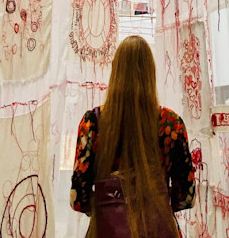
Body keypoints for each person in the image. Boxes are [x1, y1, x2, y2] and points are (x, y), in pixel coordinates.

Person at [71, 35, 196, 238]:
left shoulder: (93, 123)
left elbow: (78, 200)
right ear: (150, 74)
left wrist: (111, 203)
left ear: (115, 73)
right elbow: (186, 197)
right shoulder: (171, 124)